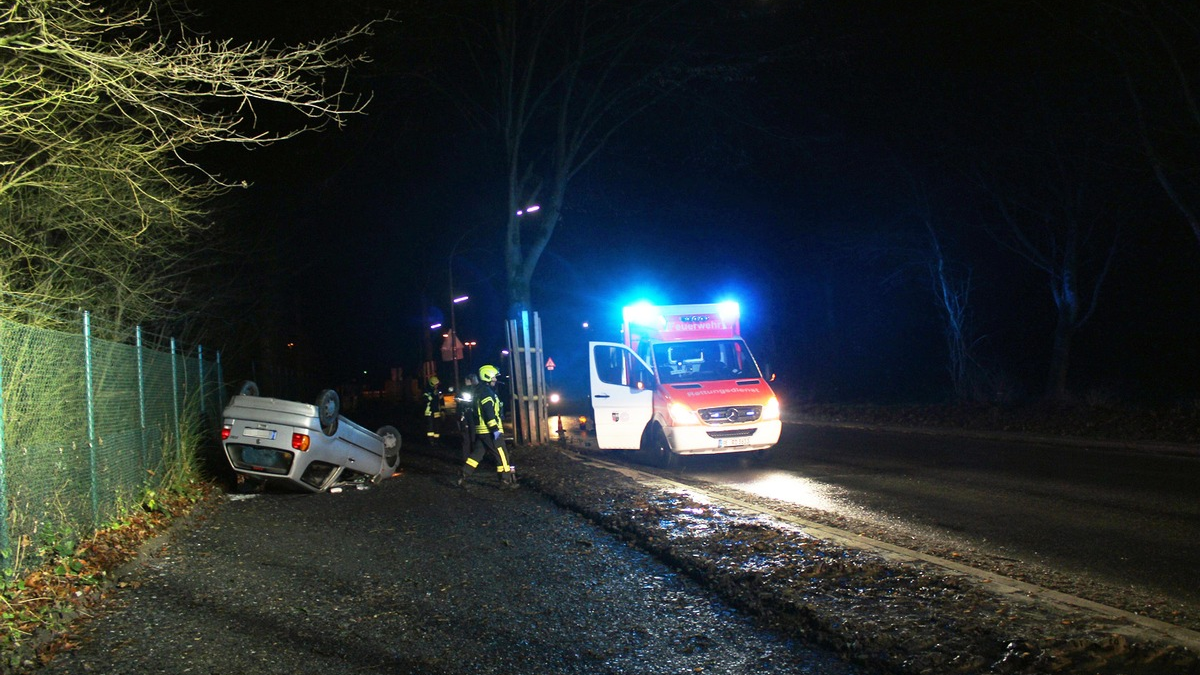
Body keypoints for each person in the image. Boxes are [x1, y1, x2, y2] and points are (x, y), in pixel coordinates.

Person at [457, 364, 516, 489]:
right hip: (489, 431)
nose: (495, 379)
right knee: (502, 454)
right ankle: (506, 481)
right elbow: (488, 412)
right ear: (487, 376)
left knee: (477, 454)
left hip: (482, 431)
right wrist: (495, 429)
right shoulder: (486, 393)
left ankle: (463, 475)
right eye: (494, 376)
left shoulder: (481, 391)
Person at [456, 373, 479, 462]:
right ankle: (468, 459)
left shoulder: (476, 390)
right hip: (466, 415)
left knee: (472, 437)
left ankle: (472, 458)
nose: (465, 382)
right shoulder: (464, 389)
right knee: (467, 437)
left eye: (467, 380)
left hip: (471, 416)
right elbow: (459, 400)